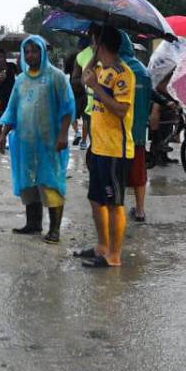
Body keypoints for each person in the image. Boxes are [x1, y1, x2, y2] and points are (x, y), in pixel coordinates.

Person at [0, 35, 76, 243]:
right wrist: (3, 135)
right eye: (27, 52)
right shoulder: (21, 80)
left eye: (35, 51)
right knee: (28, 182)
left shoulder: (56, 76)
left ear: (43, 52)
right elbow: (12, 110)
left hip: (50, 142)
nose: (30, 55)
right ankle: (33, 224)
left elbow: (68, 107)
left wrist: (63, 134)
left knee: (51, 181)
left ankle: (55, 230)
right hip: (25, 142)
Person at [77, 26, 135, 268]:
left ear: (100, 44)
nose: (91, 47)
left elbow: (121, 110)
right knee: (95, 200)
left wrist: (97, 88)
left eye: (94, 43)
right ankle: (102, 246)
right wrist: (93, 63)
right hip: (98, 147)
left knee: (113, 204)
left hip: (115, 150)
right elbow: (85, 77)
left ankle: (114, 255)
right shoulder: (100, 69)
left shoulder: (123, 74)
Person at [119, 33, 153, 222]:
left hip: (116, 132)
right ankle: (140, 210)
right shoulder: (143, 70)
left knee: (115, 173)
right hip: (138, 132)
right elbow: (149, 99)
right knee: (139, 173)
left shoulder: (114, 68)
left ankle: (116, 210)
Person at [0, 48, 20, 143]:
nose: (3, 59)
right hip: (1, 98)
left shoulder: (11, 66)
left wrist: (19, 63)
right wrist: (0, 80)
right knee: (0, 120)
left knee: (13, 118)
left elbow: (20, 74)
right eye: (0, 57)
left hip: (12, 97)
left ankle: (9, 140)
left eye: (4, 56)